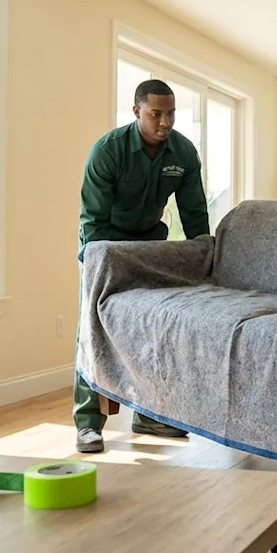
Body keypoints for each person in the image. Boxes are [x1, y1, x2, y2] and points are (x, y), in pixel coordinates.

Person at [73, 78, 212, 453]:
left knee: (151, 329)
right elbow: (93, 219)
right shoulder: (108, 151)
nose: (164, 122)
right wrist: (100, 262)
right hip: (106, 244)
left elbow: (195, 212)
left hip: (151, 242)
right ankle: (88, 424)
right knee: (94, 328)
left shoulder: (182, 153)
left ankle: (148, 416)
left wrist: (207, 254)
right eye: (156, 114)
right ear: (137, 112)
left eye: (170, 114)